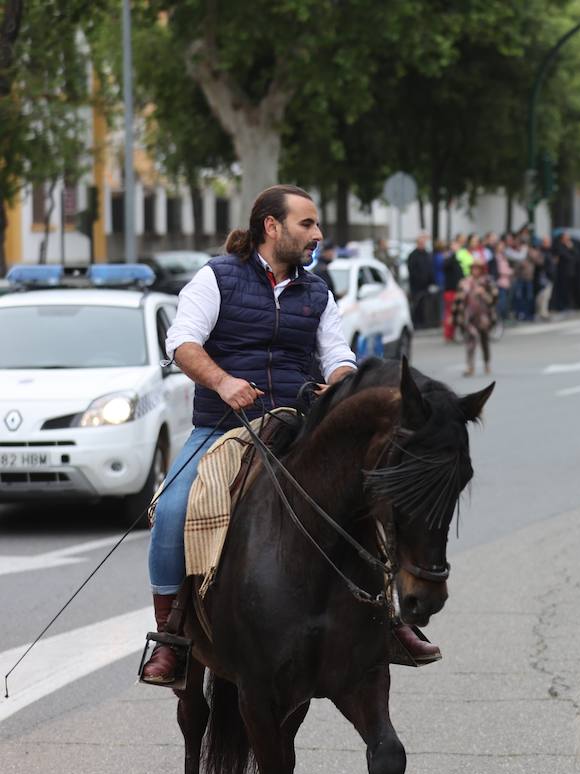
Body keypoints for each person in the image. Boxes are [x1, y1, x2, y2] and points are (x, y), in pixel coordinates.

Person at [142, 185, 440, 686]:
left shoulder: (318, 291)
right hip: (222, 426)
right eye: (307, 224)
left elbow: (338, 354)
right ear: (271, 227)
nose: (317, 235)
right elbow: (182, 343)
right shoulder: (216, 279)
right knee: (172, 508)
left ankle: (388, 621)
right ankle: (170, 636)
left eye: (317, 225)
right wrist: (222, 380)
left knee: (372, 497)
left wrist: (342, 381)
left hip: (300, 425)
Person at [458, 261, 497, 376]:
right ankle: (470, 366)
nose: (475, 271)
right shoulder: (465, 282)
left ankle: (486, 363)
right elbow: (459, 301)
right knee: (471, 339)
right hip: (469, 316)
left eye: (477, 268)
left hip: (483, 316)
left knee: (484, 340)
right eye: (473, 268)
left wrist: (483, 293)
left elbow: (493, 300)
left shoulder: (487, 282)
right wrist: (457, 315)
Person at [405, 234, 436, 328]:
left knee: (425, 305)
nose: (422, 245)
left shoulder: (427, 254)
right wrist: (419, 280)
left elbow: (430, 268)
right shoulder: (413, 255)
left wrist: (431, 281)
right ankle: (416, 323)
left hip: (426, 285)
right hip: (416, 286)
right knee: (417, 305)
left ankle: (424, 322)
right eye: (421, 243)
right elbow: (412, 271)